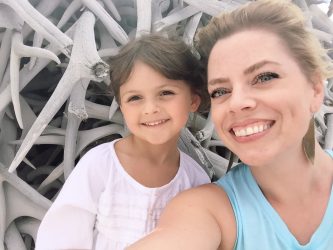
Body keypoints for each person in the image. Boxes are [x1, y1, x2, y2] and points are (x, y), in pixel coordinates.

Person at [127, 0, 333, 249]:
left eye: (264, 77)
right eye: (220, 91)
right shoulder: (209, 211)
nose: (236, 102)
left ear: (315, 89)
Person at [35, 34, 211, 249]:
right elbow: (60, 239)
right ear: (121, 105)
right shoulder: (100, 165)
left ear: (193, 100)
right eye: (135, 98)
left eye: (166, 93)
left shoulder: (195, 181)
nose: (150, 109)